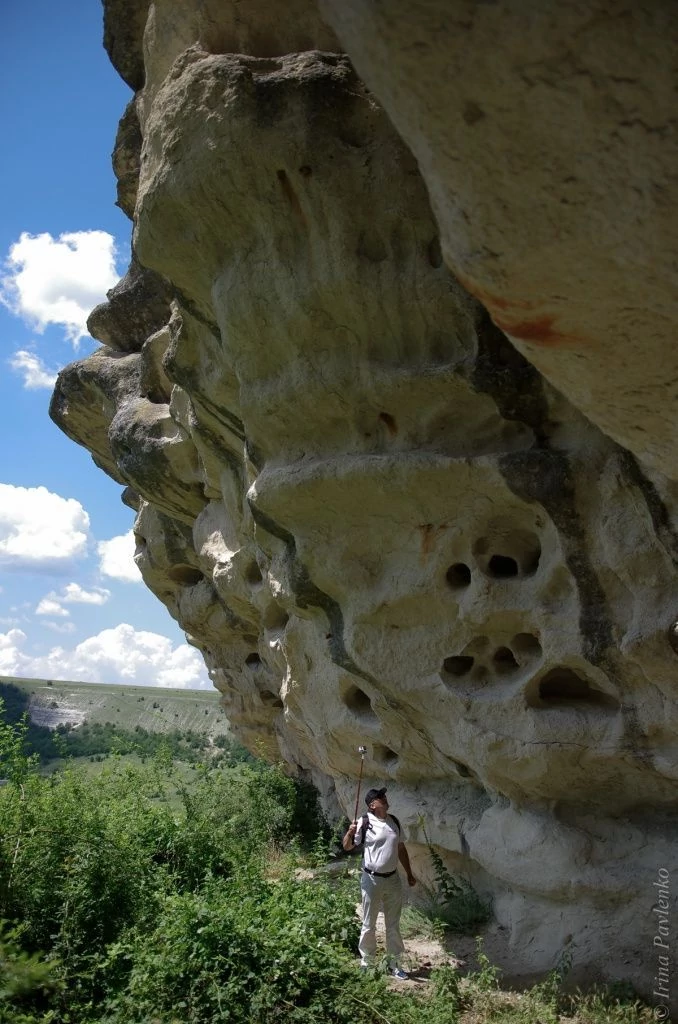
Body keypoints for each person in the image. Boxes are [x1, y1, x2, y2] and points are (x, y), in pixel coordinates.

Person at [342, 786, 416, 979]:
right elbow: (347, 847)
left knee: (393, 924)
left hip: (393, 879)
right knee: (369, 923)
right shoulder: (364, 821)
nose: (384, 798)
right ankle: (367, 963)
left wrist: (409, 873)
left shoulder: (394, 821)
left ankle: (395, 964)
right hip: (371, 879)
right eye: (380, 797)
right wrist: (349, 833)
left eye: (384, 796)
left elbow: (401, 849)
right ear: (372, 805)